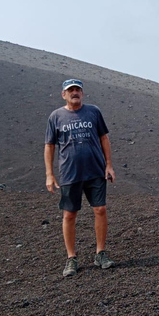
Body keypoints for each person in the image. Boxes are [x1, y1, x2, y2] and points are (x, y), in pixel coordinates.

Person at [45, 79, 116, 277]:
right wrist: (49, 174)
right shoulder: (56, 116)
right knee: (69, 214)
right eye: (70, 90)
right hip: (70, 172)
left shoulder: (93, 112)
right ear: (64, 94)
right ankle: (71, 258)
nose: (74, 93)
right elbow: (49, 145)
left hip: (95, 170)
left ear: (82, 93)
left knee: (100, 209)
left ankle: (100, 253)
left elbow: (104, 138)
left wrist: (109, 164)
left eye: (77, 90)